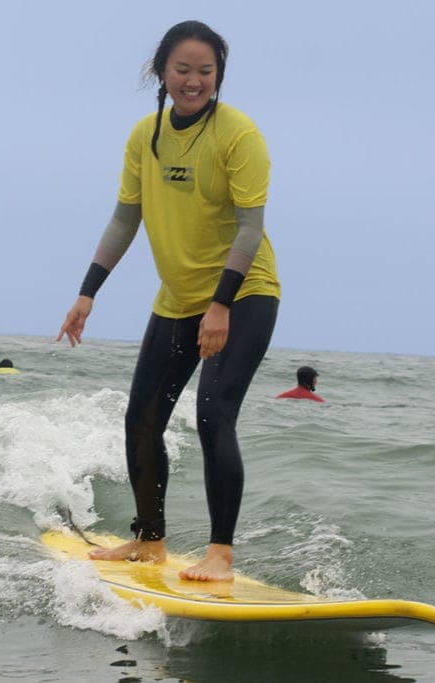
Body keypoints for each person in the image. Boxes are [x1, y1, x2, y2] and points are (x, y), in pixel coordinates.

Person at [56, 20, 280, 582]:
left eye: (206, 71)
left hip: (244, 293)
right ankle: (149, 542)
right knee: (142, 418)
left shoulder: (238, 134)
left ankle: (220, 555)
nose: (194, 81)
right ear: (161, 72)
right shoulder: (144, 136)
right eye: (183, 69)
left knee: (214, 411)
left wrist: (222, 304)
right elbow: (126, 216)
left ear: (218, 76)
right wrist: (87, 293)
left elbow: (250, 230)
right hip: (178, 299)